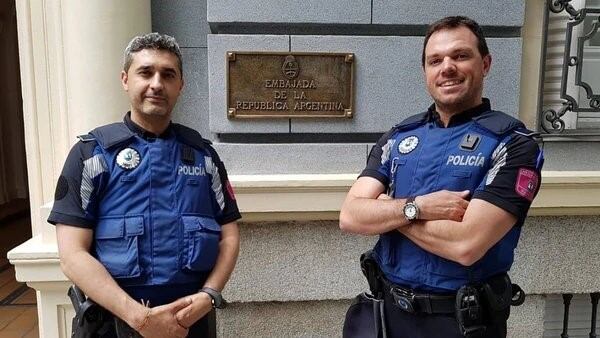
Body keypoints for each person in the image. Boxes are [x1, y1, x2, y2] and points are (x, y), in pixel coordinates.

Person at [339, 16, 544, 338]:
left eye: (460, 56)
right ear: (426, 72)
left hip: (463, 323)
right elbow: (350, 216)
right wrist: (416, 207)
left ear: (485, 63)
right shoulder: (399, 137)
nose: (447, 67)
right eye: (435, 60)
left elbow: (466, 244)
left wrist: (386, 210)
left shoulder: (514, 145)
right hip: (390, 317)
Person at [48, 33, 241, 338]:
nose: (156, 83)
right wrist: (140, 318)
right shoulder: (91, 154)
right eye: (145, 72)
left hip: (190, 324)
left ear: (181, 85)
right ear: (125, 79)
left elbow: (228, 236)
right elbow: (72, 254)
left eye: (168, 74)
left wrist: (209, 295)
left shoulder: (204, 157)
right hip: (112, 325)